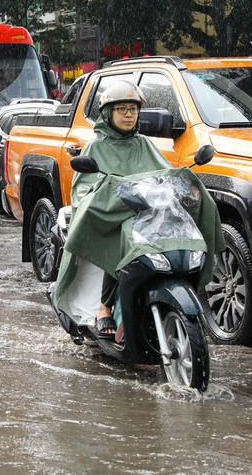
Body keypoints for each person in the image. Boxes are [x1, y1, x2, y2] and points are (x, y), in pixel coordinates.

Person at [68, 80, 171, 338]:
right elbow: (83, 190)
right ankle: (105, 307)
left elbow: (165, 174)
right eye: (122, 109)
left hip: (145, 216)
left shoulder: (144, 144)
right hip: (111, 219)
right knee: (122, 240)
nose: (128, 114)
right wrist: (106, 197)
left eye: (133, 109)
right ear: (108, 113)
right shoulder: (96, 147)